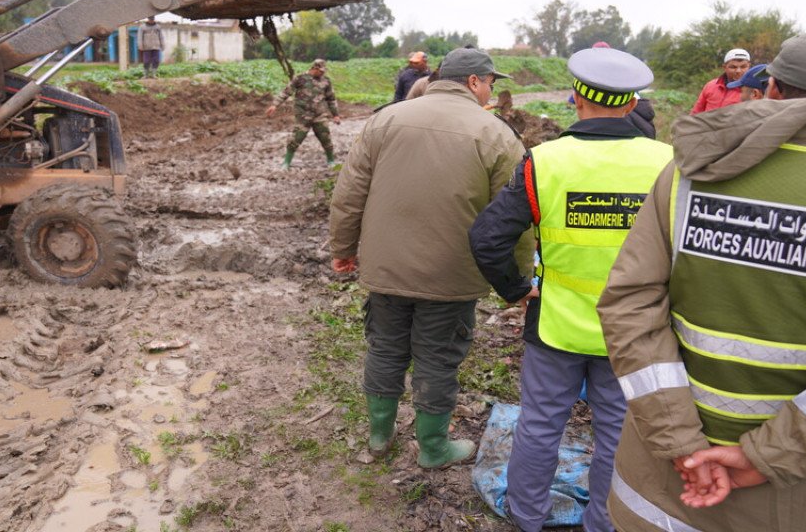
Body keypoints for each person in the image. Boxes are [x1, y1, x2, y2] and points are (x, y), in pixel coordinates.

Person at [596, 30, 806, 532]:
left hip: (663, 488)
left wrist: (680, 440)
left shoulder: (691, 170)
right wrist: (765, 456)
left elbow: (629, 303)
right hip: (805, 498)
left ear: (770, 88)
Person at [469, 47, 673, 532]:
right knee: (619, 438)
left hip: (556, 327)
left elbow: (487, 237)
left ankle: (527, 518)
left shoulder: (544, 161)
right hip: (635, 334)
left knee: (539, 429)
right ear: (631, 104)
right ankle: (603, 522)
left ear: (577, 99)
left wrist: (517, 290)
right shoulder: (669, 163)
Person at [329, 48, 530, 469]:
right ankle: (434, 449)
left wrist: (344, 250)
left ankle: (379, 437)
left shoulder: (385, 119)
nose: (491, 90)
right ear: (474, 82)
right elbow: (515, 219)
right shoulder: (497, 135)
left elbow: (349, 193)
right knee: (437, 359)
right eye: (491, 81)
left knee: (384, 349)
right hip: (450, 276)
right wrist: (518, 281)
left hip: (385, 268)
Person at [265, 59, 341, 168]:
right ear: (314, 68)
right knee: (296, 139)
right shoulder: (300, 79)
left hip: (320, 116)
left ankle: (331, 161)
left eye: (324, 71)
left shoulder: (326, 81)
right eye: (321, 71)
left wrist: (336, 115)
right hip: (303, 116)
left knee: (326, 138)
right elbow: (286, 92)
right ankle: (286, 163)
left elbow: (331, 99)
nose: (322, 73)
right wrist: (275, 105)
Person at [690, 48, 750, 114]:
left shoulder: (753, 90)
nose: (738, 71)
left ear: (749, 66)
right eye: (733, 67)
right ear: (724, 67)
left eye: (743, 67)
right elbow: (696, 112)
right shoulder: (711, 86)